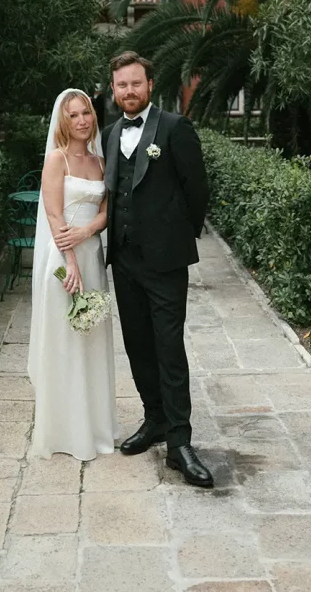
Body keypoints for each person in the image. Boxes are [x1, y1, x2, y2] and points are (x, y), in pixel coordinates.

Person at [103, 52, 213, 488]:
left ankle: (180, 442)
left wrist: (174, 235)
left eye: (135, 84)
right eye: (121, 85)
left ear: (149, 85)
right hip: (125, 260)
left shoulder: (173, 128)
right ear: (113, 90)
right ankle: (154, 420)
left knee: (169, 348)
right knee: (137, 345)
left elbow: (197, 189)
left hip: (165, 262)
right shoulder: (111, 134)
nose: (128, 92)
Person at [28, 89, 118, 461]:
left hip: (92, 255)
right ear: (63, 121)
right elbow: (53, 214)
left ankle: (95, 428)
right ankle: (64, 430)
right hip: (64, 260)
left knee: (92, 339)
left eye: (86, 113)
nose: (82, 120)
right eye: (73, 115)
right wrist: (72, 260)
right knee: (65, 340)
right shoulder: (56, 159)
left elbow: (107, 210)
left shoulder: (100, 161)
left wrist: (89, 234)